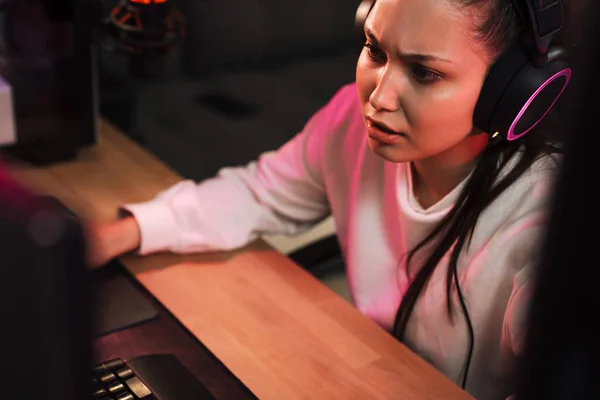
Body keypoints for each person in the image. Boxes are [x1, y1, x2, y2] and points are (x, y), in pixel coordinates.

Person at [85, 0, 571, 399]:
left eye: (423, 73)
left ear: (510, 95)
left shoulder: (547, 228)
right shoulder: (353, 126)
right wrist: (116, 233)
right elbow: (260, 193)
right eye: (375, 51)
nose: (378, 98)